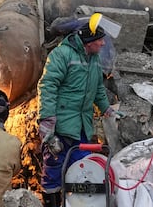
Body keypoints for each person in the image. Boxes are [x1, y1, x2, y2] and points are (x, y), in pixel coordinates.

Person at [37, 16, 116, 207]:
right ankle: (52, 203)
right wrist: (47, 122)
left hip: (82, 126)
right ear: (88, 41)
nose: (103, 43)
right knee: (55, 169)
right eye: (99, 40)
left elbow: (97, 88)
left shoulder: (94, 59)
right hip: (63, 126)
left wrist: (106, 108)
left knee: (82, 171)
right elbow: (47, 86)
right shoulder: (61, 54)